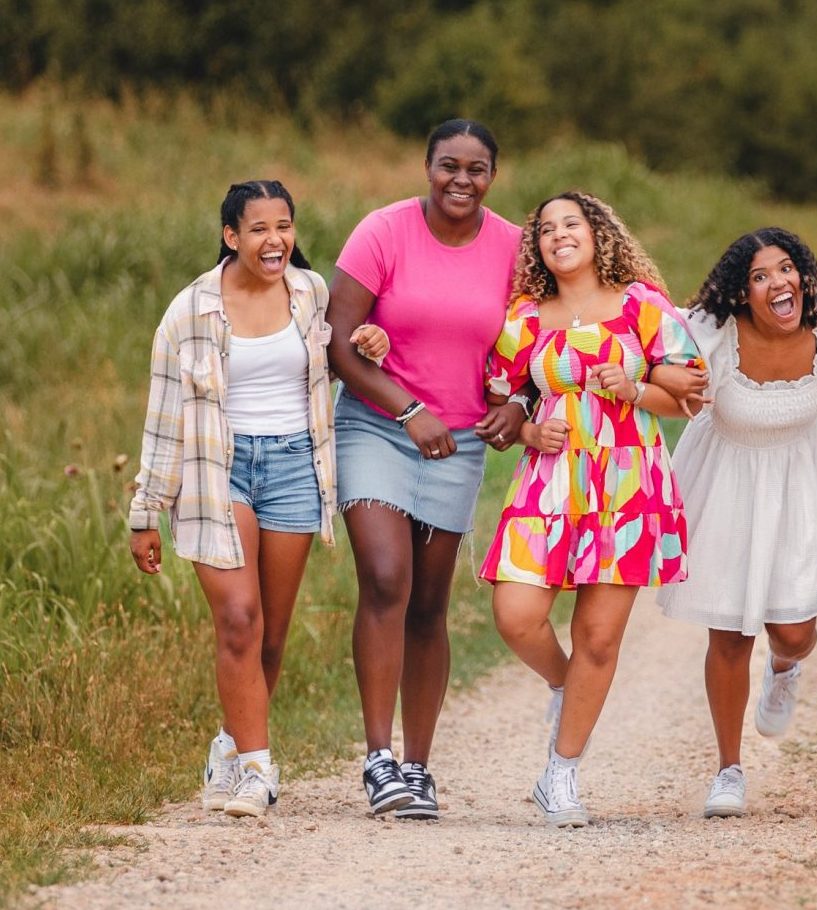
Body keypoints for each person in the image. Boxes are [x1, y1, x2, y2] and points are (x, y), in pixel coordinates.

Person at [128, 180, 387, 818]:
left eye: (284, 227)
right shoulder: (188, 311)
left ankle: (231, 743)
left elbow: (334, 360)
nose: (274, 241)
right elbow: (164, 416)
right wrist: (146, 510)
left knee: (269, 634)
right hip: (218, 469)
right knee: (239, 619)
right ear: (231, 236)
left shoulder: (311, 293)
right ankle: (258, 770)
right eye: (259, 229)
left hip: (296, 463)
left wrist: (367, 344)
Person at [479, 191, 705, 828]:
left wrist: (636, 387)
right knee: (516, 613)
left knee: (598, 639)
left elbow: (689, 391)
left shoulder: (642, 305)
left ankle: (562, 775)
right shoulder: (524, 316)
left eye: (570, 224)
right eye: (546, 229)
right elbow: (500, 395)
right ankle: (562, 685)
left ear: (598, 233)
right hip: (549, 482)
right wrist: (525, 434)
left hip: (626, 483)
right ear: (538, 248)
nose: (558, 235)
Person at [326, 119, 526, 819]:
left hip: (461, 442)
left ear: (492, 176)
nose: (461, 180)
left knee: (429, 605)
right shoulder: (382, 232)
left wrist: (520, 405)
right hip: (377, 426)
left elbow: (537, 346)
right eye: (449, 166)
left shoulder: (513, 248)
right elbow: (338, 347)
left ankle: (419, 766)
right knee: (386, 578)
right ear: (427, 167)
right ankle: (379, 760)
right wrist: (408, 408)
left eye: (476, 168)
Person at [648, 228, 817, 818]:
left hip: (800, 481)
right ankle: (728, 770)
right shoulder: (713, 335)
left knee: (793, 630)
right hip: (724, 482)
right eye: (760, 276)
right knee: (730, 632)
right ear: (741, 294)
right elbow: (664, 374)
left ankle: (785, 667)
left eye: (786, 269)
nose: (779, 283)